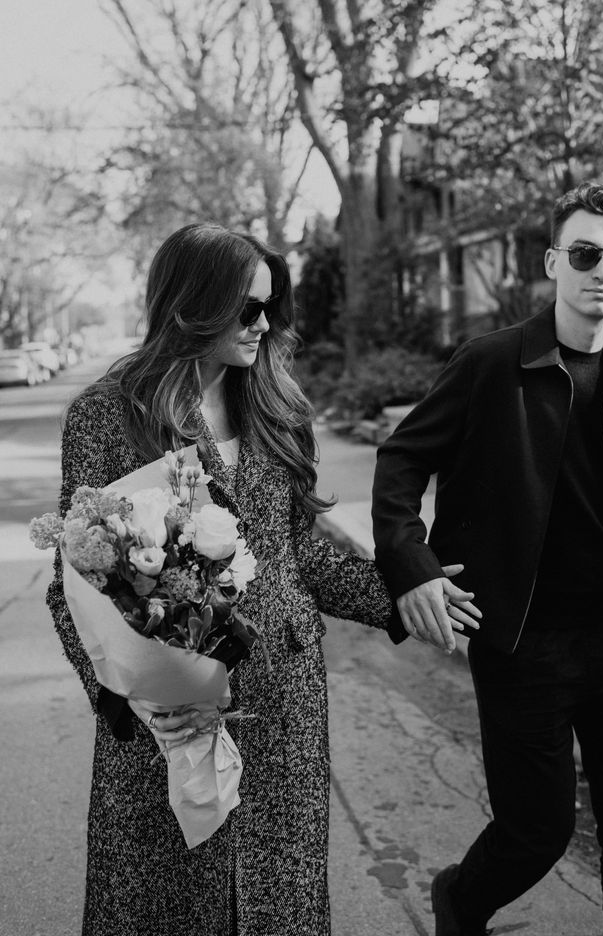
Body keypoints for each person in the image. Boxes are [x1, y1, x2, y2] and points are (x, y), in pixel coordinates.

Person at [46, 223, 479, 936]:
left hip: (284, 711)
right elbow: (75, 580)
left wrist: (401, 592)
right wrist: (131, 697)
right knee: (165, 910)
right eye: (248, 309)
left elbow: (301, 557)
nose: (265, 324)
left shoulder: (279, 408)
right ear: (194, 305)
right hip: (168, 725)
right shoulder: (108, 413)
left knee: (278, 910)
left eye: (271, 306)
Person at [372, 182, 603, 936]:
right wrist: (413, 565)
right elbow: (401, 462)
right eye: (587, 253)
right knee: (537, 831)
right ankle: (461, 901)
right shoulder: (490, 364)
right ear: (553, 262)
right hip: (524, 647)